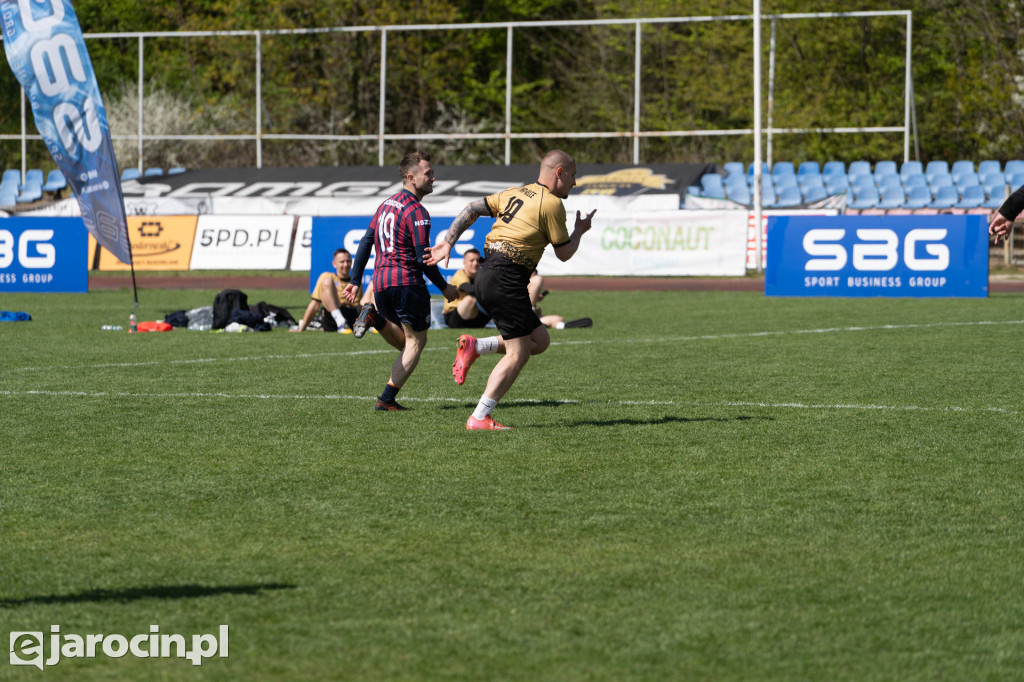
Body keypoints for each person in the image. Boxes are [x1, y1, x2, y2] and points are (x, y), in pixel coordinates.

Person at [426, 149, 596, 430]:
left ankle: (476, 346)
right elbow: (564, 253)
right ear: (559, 173)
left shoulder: (515, 192)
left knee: (539, 340)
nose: (574, 183)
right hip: (505, 280)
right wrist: (580, 230)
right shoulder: (552, 204)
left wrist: (448, 241)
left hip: (488, 275)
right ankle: (479, 417)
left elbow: (471, 209)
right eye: (573, 175)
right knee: (519, 353)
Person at [344, 150, 458, 411]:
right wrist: (445, 287)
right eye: (428, 174)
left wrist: (355, 279)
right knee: (417, 342)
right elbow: (421, 259)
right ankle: (386, 399)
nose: (433, 178)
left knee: (407, 343)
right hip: (407, 282)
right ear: (411, 177)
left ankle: (375, 318)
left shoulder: (385, 204)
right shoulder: (417, 211)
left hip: (381, 283)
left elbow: (366, 242)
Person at [291, 248, 362, 333]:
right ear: (334, 264)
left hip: (354, 315)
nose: (346, 264)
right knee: (327, 281)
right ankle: (341, 322)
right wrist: (301, 328)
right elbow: (315, 304)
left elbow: (361, 303)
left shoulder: (356, 281)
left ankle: (375, 323)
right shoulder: (327, 277)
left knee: (374, 284)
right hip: (334, 315)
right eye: (342, 262)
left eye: (348, 261)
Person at [441, 248, 492, 328]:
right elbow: (469, 289)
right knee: (471, 298)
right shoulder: (460, 275)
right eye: (472, 260)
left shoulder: (481, 276)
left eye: (478, 260)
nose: (475, 263)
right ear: (464, 263)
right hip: (454, 317)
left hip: (474, 316)